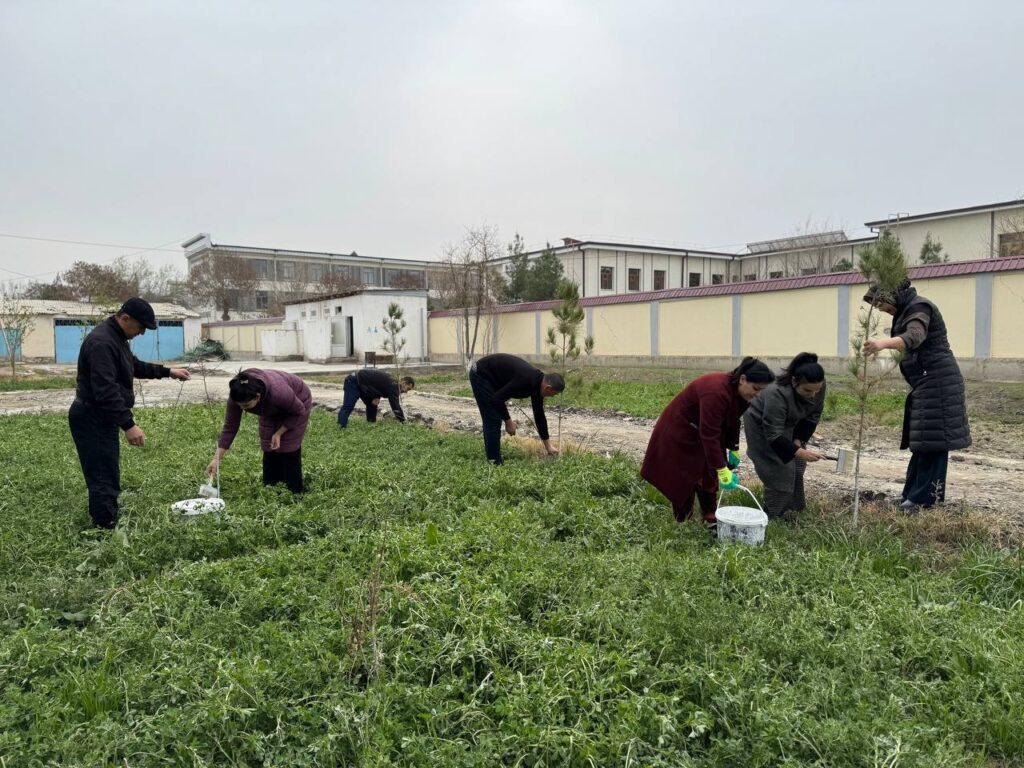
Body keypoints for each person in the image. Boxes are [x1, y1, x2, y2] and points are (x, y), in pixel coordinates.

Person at [69, 297, 192, 528]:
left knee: (108, 468)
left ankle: (108, 515)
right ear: (125, 318)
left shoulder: (117, 338)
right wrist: (128, 424)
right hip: (91, 417)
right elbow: (105, 390)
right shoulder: (102, 342)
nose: (142, 333)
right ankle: (104, 528)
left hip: (102, 416)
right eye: (141, 327)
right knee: (102, 473)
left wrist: (168, 372)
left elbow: (133, 365)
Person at [863, 278, 971, 511]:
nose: (881, 309)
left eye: (881, 304)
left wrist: (882, 344)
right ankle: (911, 495)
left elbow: (914, 336)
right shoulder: (906, 310)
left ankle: (923, 500)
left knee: (932, 442)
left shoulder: (920, 307)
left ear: (892, 296)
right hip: (926, 381)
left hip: (939, 383)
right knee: (921, 441)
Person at [641, 357, 774, 526]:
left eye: (761, 391)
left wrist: (733, 448)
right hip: (681, 430)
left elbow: (733, 420)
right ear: (743, 379)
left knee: (708, 473)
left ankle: (710, 517)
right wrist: (722, 468)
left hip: (703, 430)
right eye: (756, 389)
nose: (757, 394)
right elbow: (710, 434)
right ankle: (683, 520)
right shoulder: (716, 391)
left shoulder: (740, 393)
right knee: (684, 475)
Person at [743, 352, 828, 518]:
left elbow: (813, 415)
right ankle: (772, 516)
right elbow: (774, 435)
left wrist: (798, 441)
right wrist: (800, 452)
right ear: (794, 382)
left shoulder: (818, 386)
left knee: (798, 465)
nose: (813, 395)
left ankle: (793, 510)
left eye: (816, 390)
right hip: (762, 424)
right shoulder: (777, 393)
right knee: (779, 471)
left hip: (790, 421)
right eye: (807, 390)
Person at [207, 369, 313, 493]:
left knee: (288, 446)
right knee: (268, 444)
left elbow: (298, 411)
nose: (242, 409)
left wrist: (279, 433)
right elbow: (230, 427)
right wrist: (216, 459)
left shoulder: (279, 393)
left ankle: (294, 491)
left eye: (246, 406)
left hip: (298, 402)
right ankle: (270, 487)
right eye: (239, 405)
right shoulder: (238, 394)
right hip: (269, 405)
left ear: (258, 397)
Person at [468, 353, 565, 464]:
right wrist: (508, 422)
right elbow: (497, 399)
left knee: (496, 415)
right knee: (493, 418)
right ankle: (494, 463)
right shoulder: (525, 380)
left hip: (493, 378)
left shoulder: (537, 384)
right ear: (548, 388)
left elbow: (539, 416)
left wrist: (548, 446)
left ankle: (494, 457)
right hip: (481, 374)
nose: (551, 397)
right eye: (553, 394)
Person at [337, 370, 414, 427]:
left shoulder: (393, 383)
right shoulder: (395, 385)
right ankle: (341, 427)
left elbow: (379, 385)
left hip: (365, 385)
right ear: (404, 383)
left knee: (373, 404)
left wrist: (376, 397)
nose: (406, 392)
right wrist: (404, 422)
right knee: (348, 406)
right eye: (408, 389)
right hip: (354, 381)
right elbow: (395, 406)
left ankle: (371, 425)